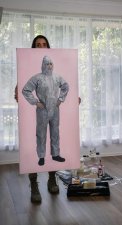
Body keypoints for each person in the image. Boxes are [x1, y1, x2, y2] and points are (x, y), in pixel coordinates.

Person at [15, 35, 60, 203]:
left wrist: (70, 101)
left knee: (54, 137)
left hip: (54, 111)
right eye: (37, 44)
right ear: (33, 47)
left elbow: (65, 86)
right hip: (38, 112)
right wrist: (33, 101)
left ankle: (51, 178)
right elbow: (23, 91)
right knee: (39, 138)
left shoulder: (55, 73)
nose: (41, 46)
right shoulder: (28, 68)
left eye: (44, 44)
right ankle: (33, 184)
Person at [22, 55, 69, 166]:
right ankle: (41, 156)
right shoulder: (37, 78)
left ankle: (56, 154)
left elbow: (66, 86)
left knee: (55, 133)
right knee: (41, 134)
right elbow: (26, 90)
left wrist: (61, 99)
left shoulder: (57, 77)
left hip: (55, 109)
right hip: (42, 110)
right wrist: (36, 102)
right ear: (43, 65)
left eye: (51, 64)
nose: (49, 66)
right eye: (47, 64)